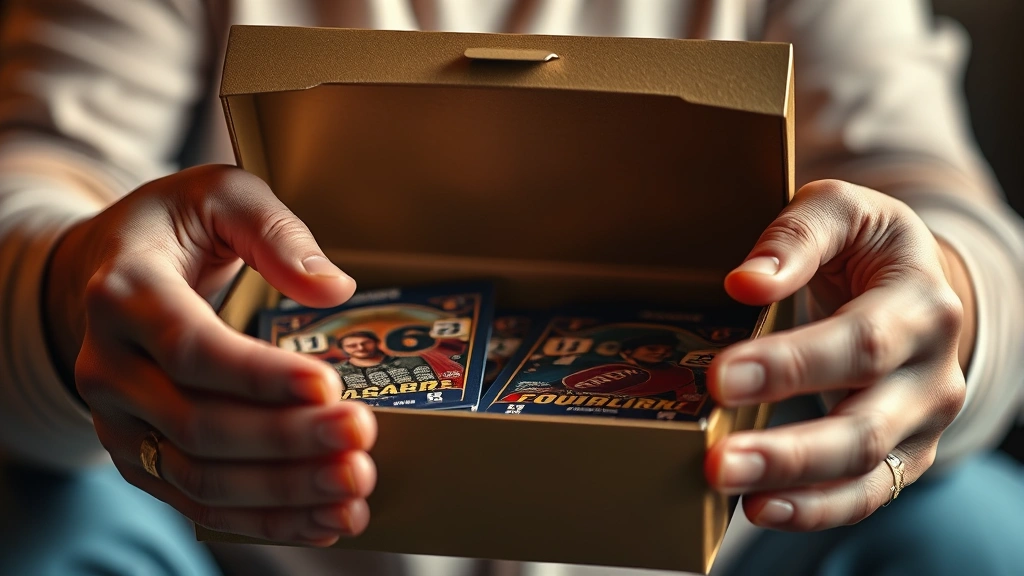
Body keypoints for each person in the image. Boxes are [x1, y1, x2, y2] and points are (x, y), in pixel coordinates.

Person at [1, 1, 1022, 575]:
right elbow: (40, 173)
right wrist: (75, 293)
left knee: (980, 529)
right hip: (217, 531)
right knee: (46, 529)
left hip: (742, 524)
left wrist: (947, 313)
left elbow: (934, 191)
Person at [334, 331, 438, 390]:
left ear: (377, 342)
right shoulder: (334, 372)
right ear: (343, 349)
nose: (360, 348)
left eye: (366, 343)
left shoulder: (412, 361)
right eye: (352, 346)